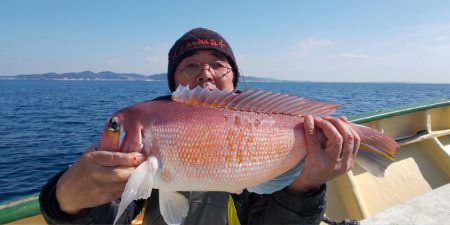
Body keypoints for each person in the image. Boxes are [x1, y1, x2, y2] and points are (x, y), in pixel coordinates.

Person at [39, 27, 360, 225]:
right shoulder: (145, 132)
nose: (205, 74)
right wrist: (69, 199)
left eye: (218, 64)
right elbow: (111, 217)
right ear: (173, 82)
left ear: (234, 78)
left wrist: (305, 187)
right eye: (190, 65)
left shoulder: (266, 130)